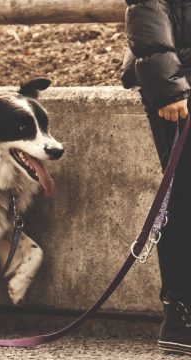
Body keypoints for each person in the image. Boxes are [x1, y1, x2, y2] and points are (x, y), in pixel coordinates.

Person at [121, 0, 191, 355]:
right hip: (179, 82)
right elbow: (146, 7)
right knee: (184, 195)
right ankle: (181, 315)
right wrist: (167, 86)